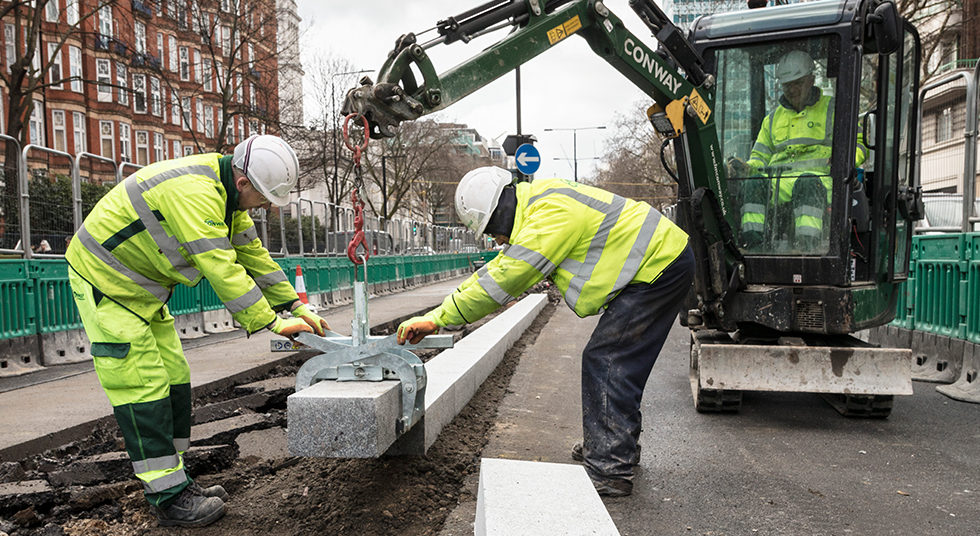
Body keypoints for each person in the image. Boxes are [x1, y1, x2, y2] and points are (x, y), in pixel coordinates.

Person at [66, 135, 329, 527]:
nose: (264, 209)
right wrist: (272, 322)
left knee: (175, 376)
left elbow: (252, 255)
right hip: (107, 284)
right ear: (244, 184)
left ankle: (178, 479)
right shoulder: (195, 193)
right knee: (142, 385)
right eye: (263, 200)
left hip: (141, 291)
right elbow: (220, 265)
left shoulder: (226, 196)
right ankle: (168, 496)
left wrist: (295, 305)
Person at [396, 167, 695, 497]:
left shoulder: (549, 215)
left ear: (500, 212)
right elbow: (497, 268)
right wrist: (438, 312)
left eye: (493, 230)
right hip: (661, 262)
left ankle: (611, 464)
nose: (496, 239)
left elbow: (506, 279)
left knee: (607, 359)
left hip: (659, 265)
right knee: (618, 360)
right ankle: (613, 445)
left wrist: (438, 319)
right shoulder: (540, 203)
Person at [728, 50, 868, 250]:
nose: (792, 89)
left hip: (822, 180)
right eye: (787, 85)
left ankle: (807, 249)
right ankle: (754, 247)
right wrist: (748, 168)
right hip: (780, 184)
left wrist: (847, 160)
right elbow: (760, 157)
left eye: (797, 83)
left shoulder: (834, 109)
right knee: (754, 184)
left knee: (807, 184)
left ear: (811, 80)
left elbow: (860, 142)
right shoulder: (772, 119)